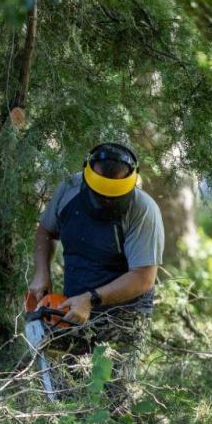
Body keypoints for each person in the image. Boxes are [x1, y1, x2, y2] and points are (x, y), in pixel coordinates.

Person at [28, 142, 164, 409]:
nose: (105, 201)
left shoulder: (143, 211)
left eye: (113, 195)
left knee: (114, 397)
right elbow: (45, 231)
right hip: (72, 306)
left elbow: (143, 277)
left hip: (125, 313)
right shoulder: (69, 189)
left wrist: (91, 299)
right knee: (67, 390)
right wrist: (41, 273)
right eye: (100, 193)